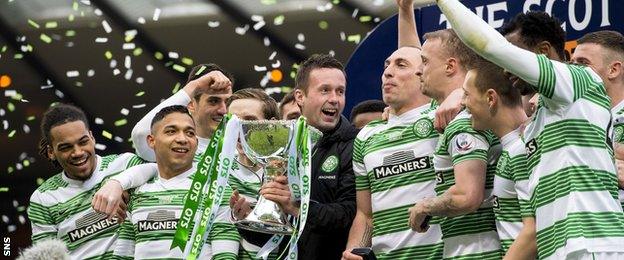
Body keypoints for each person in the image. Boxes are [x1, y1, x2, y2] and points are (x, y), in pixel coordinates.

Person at [434, 0, 624, 258]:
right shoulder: (537, 124)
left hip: (591, 244)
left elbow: (489, 46)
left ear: (543, 52)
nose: (506, 70)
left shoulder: (580, 79)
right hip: (563, 250)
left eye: (515, 57)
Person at [92, 64, 240, 259]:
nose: (223, 110)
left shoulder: (243, 147)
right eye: (213, 100)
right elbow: (142, 135)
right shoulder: (174, 150)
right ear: (191, 104)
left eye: (227, 102)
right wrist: (117, 182)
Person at [342, 1, 442, 259]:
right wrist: (353, 250)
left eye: (400, 66)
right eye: (386, 65)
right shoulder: (367, 135)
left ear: (424, 75)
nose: (387, 72)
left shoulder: (443, 117)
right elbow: (365, 213)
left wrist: (406, 12)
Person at [405, 23, 502, 259]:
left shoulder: (463, 122)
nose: (418, 71)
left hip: (478, 252)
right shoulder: (465, 114)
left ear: (450, 66)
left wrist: (424, 207)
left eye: (425, 62)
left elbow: (467, 196)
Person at [260, 54, 358, 259]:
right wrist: (250, 217)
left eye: (340, 91)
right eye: (325, 90)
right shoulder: (282, 146)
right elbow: (274, 235)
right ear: (299, 97)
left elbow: (350, 214)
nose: (334, 99)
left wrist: (297, 207)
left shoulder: (356, 144)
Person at [113, 105, 237, 259]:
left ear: (196, 143)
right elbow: (122, 256)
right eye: (171, 131)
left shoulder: (217, 190)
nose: (182, 139)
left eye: (190, 133)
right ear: (152, 141)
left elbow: (226, 256)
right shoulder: (137, 193)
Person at [28, 104, 144, 259]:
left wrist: (118, 182)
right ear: (51, 152)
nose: (77, 152)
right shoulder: (43, 198)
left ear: (92, 137)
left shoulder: (126, 164)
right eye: (65, 147)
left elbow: (171, 173)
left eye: (83, 142)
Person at [461, 60, 537, 259]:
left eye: (466, 94)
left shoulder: (522, 150)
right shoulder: (510, 149)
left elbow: (534, 230)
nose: (461, 102)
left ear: (490, 98)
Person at [225, 88, 284, 259]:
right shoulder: (216, 171)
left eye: (250, 120)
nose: (240, 129)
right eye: (233, 121)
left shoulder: (290, 176)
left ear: (271, 125)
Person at [571, 31, 624, 207]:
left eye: (583, 63)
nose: (574, 71)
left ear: (613, 69)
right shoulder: (577, 117)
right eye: (572, 64)